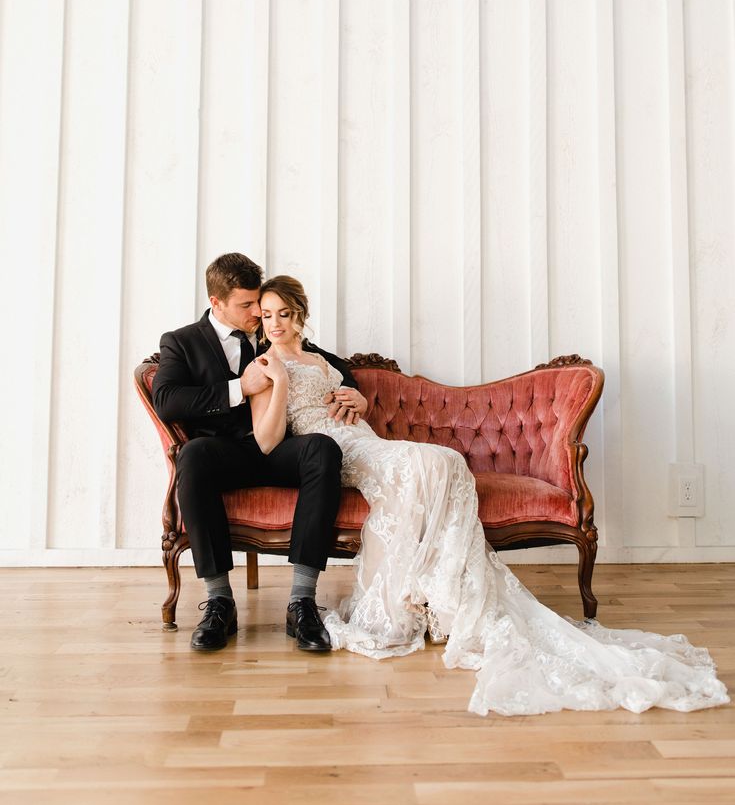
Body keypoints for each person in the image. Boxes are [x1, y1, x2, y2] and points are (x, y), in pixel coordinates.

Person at [251, 274, 730, 717]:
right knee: (434, 462)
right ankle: (396, 605)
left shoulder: (324, 360)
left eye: (283, 314)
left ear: (300, 314)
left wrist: (356, 399)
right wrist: (283, 383)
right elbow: (270, 435)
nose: (274, 323)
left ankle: (436, 594)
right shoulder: (265, 365)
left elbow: (349, 395)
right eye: (266, 315)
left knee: (446, 461)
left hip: (366, 439)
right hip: (330, 449)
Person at [152, 252, 368, 653]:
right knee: (193, 455)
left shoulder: (271, 330)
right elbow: (167, 400)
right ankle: (219, 602)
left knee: (322, 448)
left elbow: (329, 363)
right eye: (247, 305)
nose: (259, 312)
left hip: (281, 449)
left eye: (261, 303)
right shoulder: (181, 342)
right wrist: (239, 388)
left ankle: (301, 602)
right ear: (217, 303)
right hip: (227, 454)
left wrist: (356, 392)